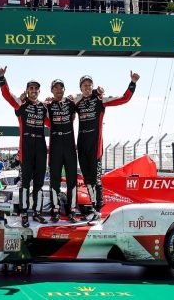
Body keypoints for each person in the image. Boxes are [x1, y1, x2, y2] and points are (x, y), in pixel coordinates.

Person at [76, 71, 139, 223]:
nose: (87, 88)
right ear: (80, 87)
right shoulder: (76, 102)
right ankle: (93, 207)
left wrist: (132, 83)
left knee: (96, 180)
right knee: (87, 180)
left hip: (95, 147)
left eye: (90, 85)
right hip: (82, 146)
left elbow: (124, 99)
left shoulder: (100, 100)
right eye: (84, 85)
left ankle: (98, 210)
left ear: (92, 87)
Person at [0, 66, 49, 227]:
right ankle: (24, 212)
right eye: (31, 88)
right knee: (25, 183)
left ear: (39, 92)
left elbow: (56, 122)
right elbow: (7, 95)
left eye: (36, 89)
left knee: (39, 183)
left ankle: (38, 211)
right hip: (26, 146)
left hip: (41, 146)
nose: (34, 90)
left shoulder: (43, 107)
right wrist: (2, 78)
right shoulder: (21, 104)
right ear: (27, 90)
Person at [44, 79, 85, 223]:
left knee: (72, 180)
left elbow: (85, 94)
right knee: (54, 181)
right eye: (55, 88)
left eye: (61, 88)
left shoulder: (71, 102)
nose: (58, 90)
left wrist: (98, 92)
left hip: (69, 145)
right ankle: (55, 209)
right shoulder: (47, 105)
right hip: (55, 145)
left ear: (64, 90)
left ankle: (72, 209)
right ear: (51, 90)